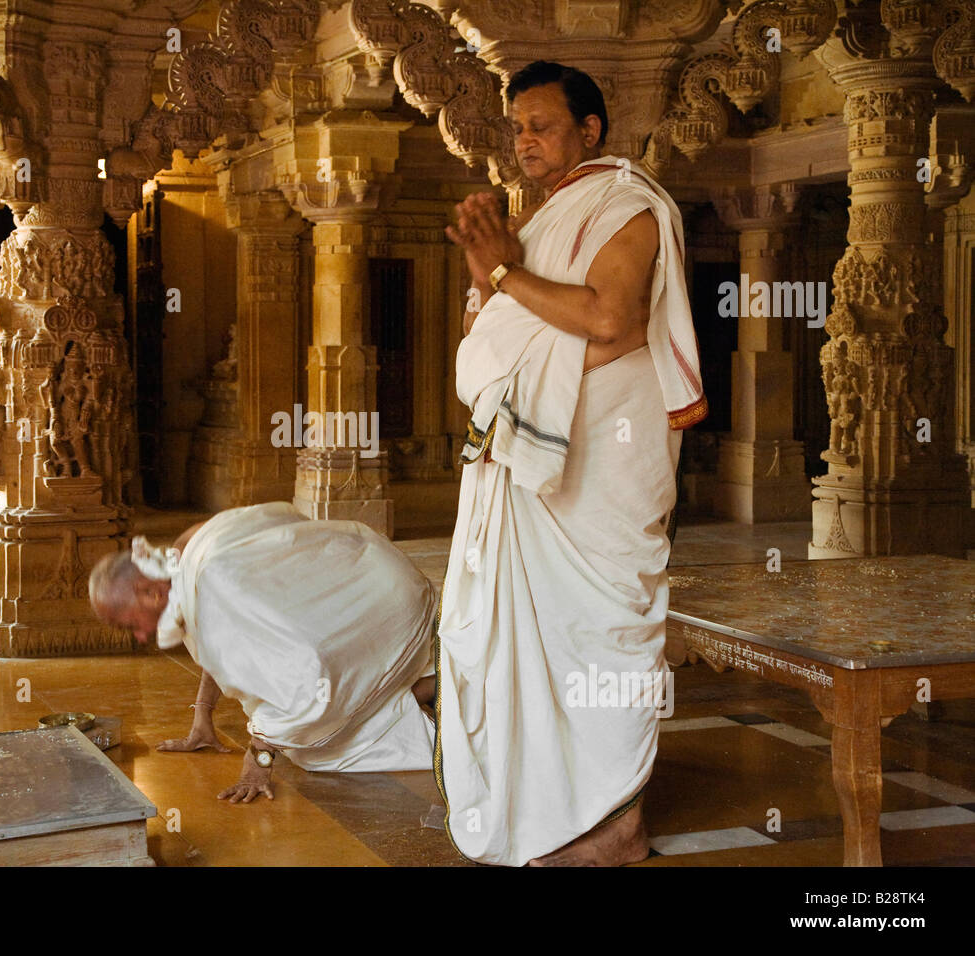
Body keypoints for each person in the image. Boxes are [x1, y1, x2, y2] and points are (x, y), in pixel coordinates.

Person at [438, 59, 706, 866]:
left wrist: (506, 271)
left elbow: (609, 318)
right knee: (528, 638)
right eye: (516, 126)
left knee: (595, 632)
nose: (523, 140)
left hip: (601, 467)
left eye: (541, 124)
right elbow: (498, 325)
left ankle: (618, 828)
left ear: (589, 130)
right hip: (531, 466)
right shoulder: (547, 218)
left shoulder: (627, 207)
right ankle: (548, 810)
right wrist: (491, 270)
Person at [88, 502, 438, 803]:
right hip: (377, 571)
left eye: (128, 624)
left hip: (383, 609)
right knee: (293, 723)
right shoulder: (185, 552)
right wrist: (203, 714)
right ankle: (420, 679)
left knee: (311, 747)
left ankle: (432, 686)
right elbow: (224, 638)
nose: (137, 636)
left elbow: (303, 679)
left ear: (148, 592)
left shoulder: (214, 592)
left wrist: (258, 764)